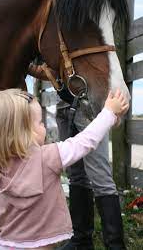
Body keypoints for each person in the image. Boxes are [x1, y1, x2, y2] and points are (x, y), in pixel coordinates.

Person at [0, 88, 128, 250]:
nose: (44, 126)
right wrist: (109, 112)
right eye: (40, 122)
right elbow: (85, 141)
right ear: (21, 133)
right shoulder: (48, 158)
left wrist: (1, 242)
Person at [56, 96, 128, 250]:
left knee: (101, 179)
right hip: (63, 102)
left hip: (88, 100)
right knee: (75, 176)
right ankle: (81, 241)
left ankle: (115, 246)